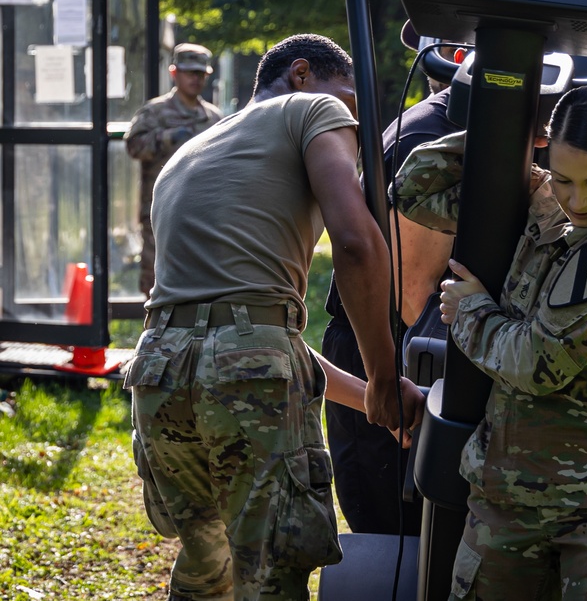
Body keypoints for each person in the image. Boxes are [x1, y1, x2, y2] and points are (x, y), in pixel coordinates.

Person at [125, 33, 421, 601]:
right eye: (351, 105)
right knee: (271, 575)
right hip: (242, 372)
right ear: (303, 74)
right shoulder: (314, 107)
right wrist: (385, 377)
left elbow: (248, 337)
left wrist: (370, 400)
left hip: (158, 370)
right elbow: (357, 246)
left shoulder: (192, 152)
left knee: (209, 561)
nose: (351, 131)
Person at [394, 84, 587, 599]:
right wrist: (505, 134)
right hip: (509, 499)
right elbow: (413, 190)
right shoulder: (546, 200)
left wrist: (471, 312)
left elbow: (537, 362)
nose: (578, 200)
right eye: (565, 177)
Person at [321, 23, 461, 536]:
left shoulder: (473, 127)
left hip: (417, 349)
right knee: (395, 537)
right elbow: (412, 292)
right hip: (396, 353)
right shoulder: (431, 135)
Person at [124, 43, 223, 296]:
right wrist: (168, 137)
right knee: (156, 277)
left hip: (202, 211)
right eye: (190, 72)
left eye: (200, 74)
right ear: (174, 73)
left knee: (200, 277)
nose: (195, 79)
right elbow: (134, 146)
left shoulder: (214, 118)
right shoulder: (155, 112)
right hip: (160, 208)